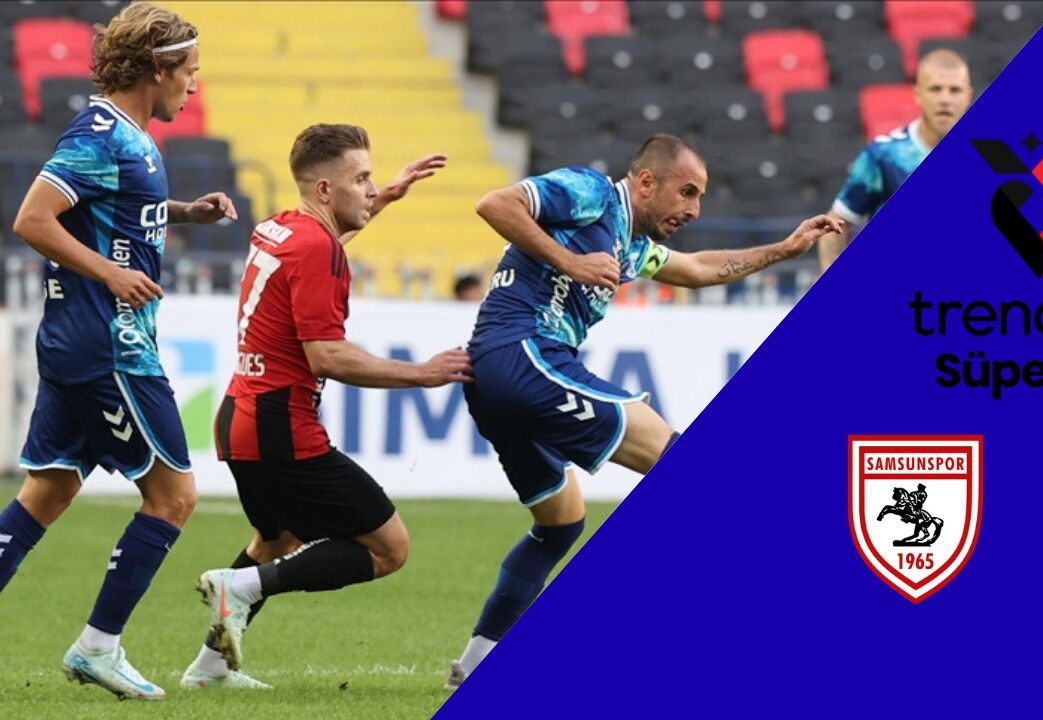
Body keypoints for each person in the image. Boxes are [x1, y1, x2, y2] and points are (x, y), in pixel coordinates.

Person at [447, 134, 844, 688]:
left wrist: (783, 249)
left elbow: (698, 268)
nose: (694, 209)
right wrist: (570, 262)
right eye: (687, 192)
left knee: (560, 524)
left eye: (700, 196)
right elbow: (495, 203)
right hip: (524, 353)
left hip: (498, 377)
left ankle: (475, 662)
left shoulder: (633, 245)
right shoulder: (591, 193)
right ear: (647, 182)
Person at [180, 124, 471, 690]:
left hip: (239, 418)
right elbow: (328, 356)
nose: (371, 188)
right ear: (323, 189)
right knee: (389, 548)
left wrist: (384, 199)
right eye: (361, 179)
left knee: (275, 542)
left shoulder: (279, 227)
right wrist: (422, 373)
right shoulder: (319, 249)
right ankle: (238, 588)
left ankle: (209, 669)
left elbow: (319, 249)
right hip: (282, 425)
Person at [0, 3, 236, 701]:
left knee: (48, 492)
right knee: (173, 497)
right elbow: (32, 219)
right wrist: (108, 273)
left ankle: (98, 648)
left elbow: (111, 210)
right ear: (158, 68)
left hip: (78, 341)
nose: (194, 84)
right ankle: (97, 648)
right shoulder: (101, 132)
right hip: (111, 345)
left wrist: (185, 212)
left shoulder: (130, 138)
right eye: (189, 71)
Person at [818, 48, 973, 271]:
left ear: (968, 95)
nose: (945, 99)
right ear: (918, 94)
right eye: (935, 89)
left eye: (955, 90)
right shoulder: (884, 156)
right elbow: (834, 227)